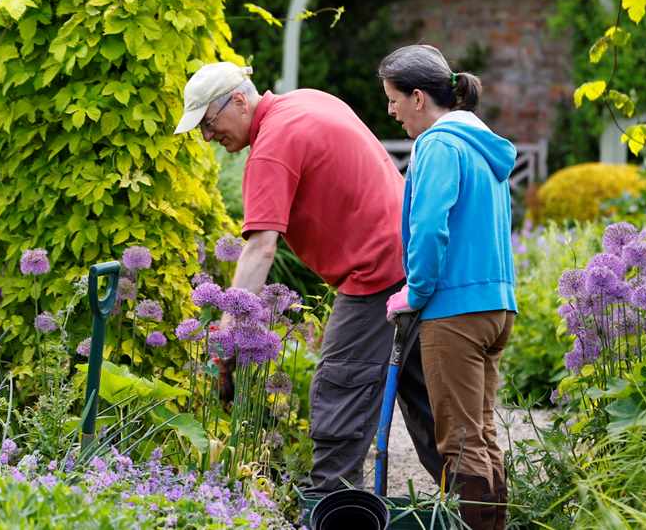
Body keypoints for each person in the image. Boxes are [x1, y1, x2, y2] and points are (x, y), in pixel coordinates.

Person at [173, 62, 443, 493]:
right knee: (428, 403)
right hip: (413, 264)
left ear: (239, 101)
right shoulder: (309, 100)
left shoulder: (271, 146)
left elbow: (261, 247)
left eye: (208, 122)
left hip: (375, 275)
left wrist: (226, 337)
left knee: (340, 391)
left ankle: (330, 508)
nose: (207, 136)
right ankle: (483, 509)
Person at [379, 45, 517, 530]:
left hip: (454, 311)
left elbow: (430, 226)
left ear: (419, 97)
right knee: (479, 433)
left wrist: (415, 292)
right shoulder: (483, 147)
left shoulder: (438, 144)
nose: (391, 111)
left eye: (394, 99)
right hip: (495, 305)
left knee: (459, 441)